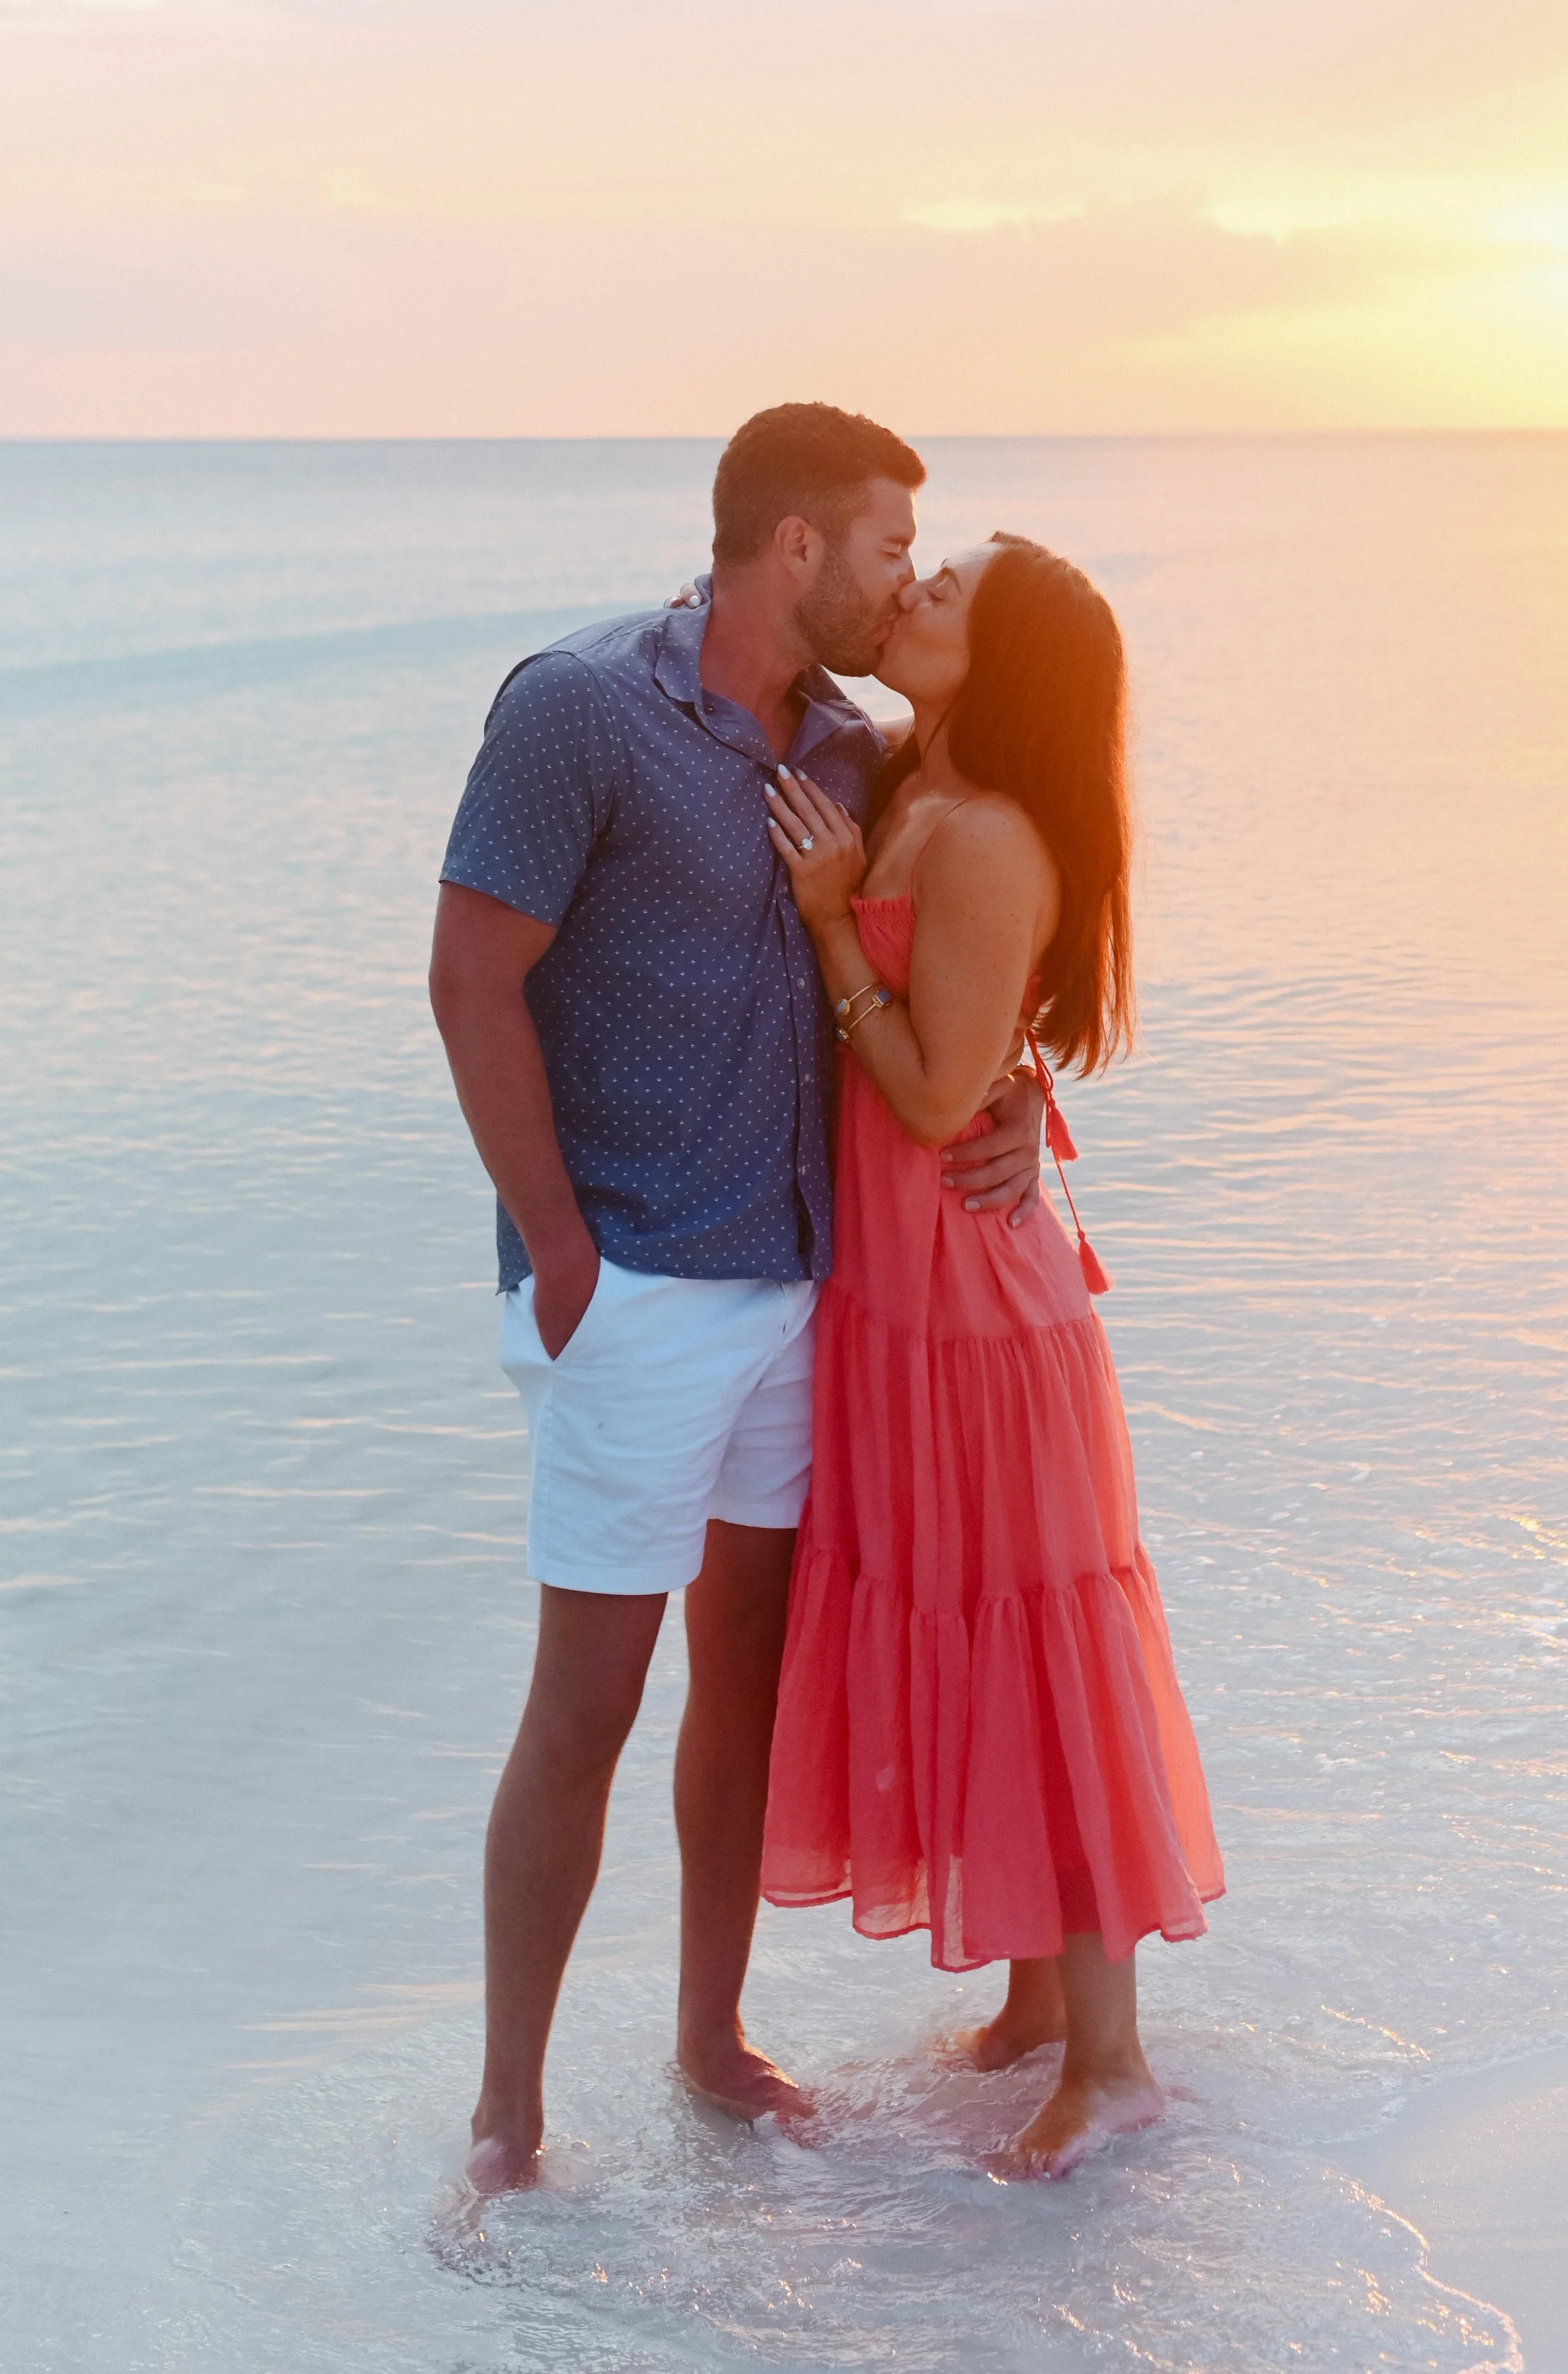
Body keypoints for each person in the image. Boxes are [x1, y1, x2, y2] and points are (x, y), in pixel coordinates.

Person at [428, 407, 1044, 2194]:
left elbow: (974, 938)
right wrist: (555, 1247)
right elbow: (472, 978)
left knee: (747, 1684)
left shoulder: (855, 749)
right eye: (881, 545)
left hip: (802, 1285)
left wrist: (1010, 1095)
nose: (896, 576)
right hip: (632, 1289)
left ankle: (708, 2040)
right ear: (790, 546)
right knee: (586, 1706)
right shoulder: (578, 709)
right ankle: (507, 2119)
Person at [758, 532, 1223, 2178]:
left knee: (1036, 1654)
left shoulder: (980, 832)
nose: (913, 595)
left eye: (943, 591)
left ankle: (1111, 2064)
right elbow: (993, 1062)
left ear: (998, 663)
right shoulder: (899, 775)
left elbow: (942, 1096)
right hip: (910, 1305)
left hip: (978, 1320)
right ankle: (1039, 1999)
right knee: (973, 1629)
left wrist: (828, 931)